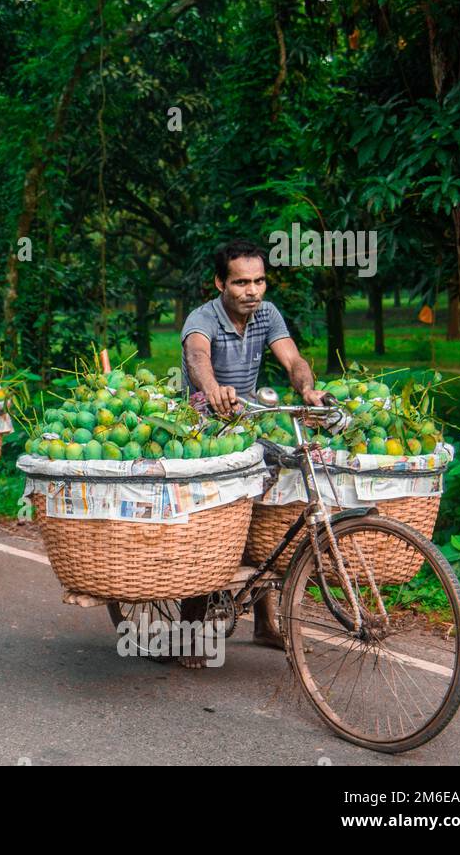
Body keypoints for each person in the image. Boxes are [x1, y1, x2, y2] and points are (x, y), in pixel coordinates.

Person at [178, 238, 328, 665]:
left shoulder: (267, 313)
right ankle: (191, 624)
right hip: (204, 425)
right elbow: (196, 357)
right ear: (220, 283)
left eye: (259, 281)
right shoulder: (202, 317)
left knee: (268, 508)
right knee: (213, 516)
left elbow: (293, 359)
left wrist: (306, 386)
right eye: (241, 282)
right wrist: (212, 390)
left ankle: (264, 620)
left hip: (252, 419)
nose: (253, 291)